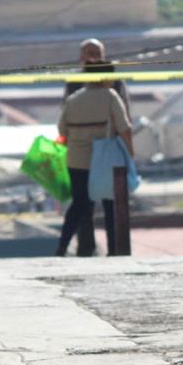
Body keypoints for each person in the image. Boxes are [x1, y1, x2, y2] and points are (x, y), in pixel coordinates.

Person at [55, 61, 133, 257]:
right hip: (105, 160)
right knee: (110, 205)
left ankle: (62, 247)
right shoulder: (110, 96)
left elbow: (62, 130)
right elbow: (124, 128)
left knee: (79, 205)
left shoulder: (73, 99)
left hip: (77, 160)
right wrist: (130, 153)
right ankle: (114, 250)